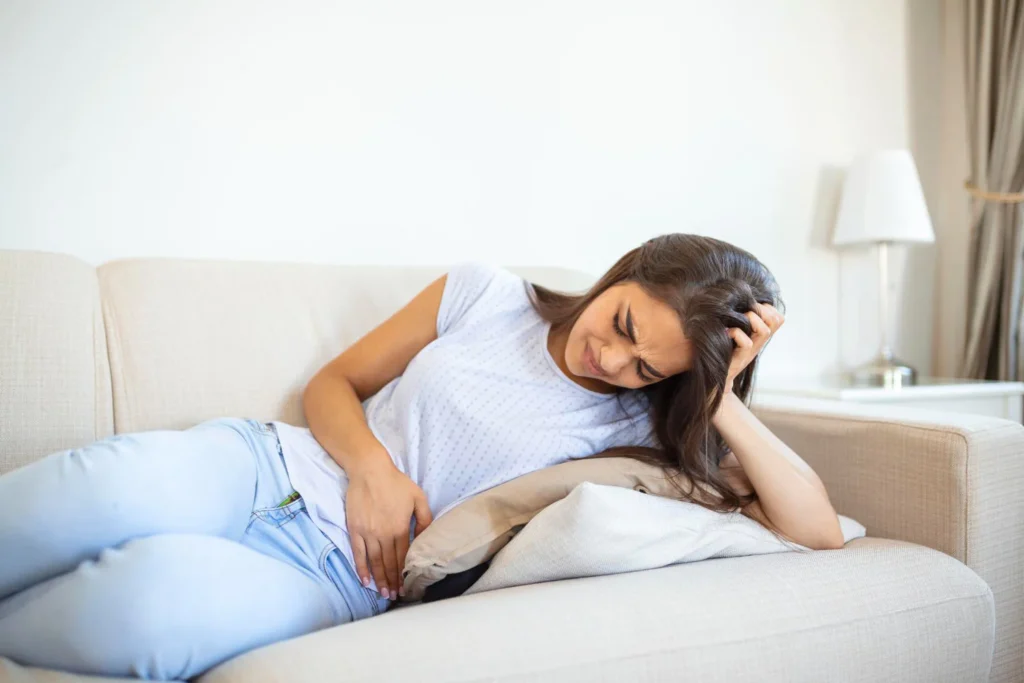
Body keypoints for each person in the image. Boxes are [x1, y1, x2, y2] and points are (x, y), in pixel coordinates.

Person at [0, 233, 841, 680]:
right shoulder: (486, 293)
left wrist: (720, 394)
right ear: (623, 272)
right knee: (99, 492)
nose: (613, 360)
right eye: (623, 325)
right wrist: (374, 469)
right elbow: (334, 383)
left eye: (647, 367)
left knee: (148, 607)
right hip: (264, 465)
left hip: (336, 580)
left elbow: (817, 530)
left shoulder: (642, 431)